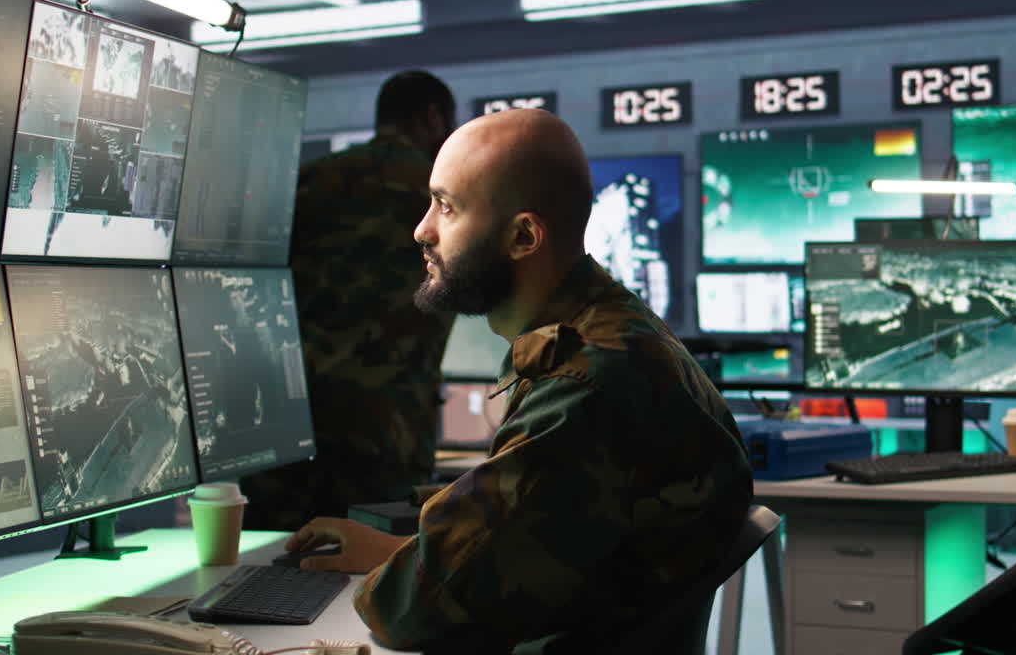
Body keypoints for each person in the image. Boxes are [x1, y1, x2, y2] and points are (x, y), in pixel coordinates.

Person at [283, 109, 753, 653]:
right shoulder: (613, 330)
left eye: (446, 207)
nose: (422, 230)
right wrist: (401, 550)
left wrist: (402, 567)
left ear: (524, 236)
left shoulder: (586, 386)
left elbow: (411, 610)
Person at [240, 71, 458, 531]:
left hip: (286, 422)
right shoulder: (441, 199)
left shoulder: (311, 180)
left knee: (268, 561)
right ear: (433, 117)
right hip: (385, 431)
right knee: (374, 564)